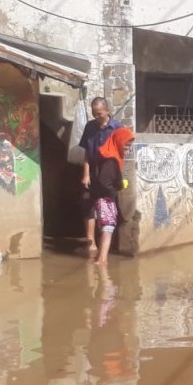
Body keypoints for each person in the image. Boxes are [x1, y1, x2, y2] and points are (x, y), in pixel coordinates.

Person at [79, 97, 121, 252]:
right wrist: (86, 174)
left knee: (108, 206)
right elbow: (87, 153)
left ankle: (109, 245)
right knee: (88, 203)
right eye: (93, 113)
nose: (96, 116)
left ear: (107, 111)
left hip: (109, 173)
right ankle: (91, 242)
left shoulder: (116, 128)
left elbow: (121, 154)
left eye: (99, 113)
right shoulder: (90, 127)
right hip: (92, 171)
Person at [90, 127, 134, 265]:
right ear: (119, 141)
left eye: (129, 145)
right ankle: (102, 259)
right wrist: (118, 187)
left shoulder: (107, 155)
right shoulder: (111, 160)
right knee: (108, 227)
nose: (127, 147)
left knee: (107, 227)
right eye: (126, 144)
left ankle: (101, 258)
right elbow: (105, 181)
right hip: (105, 197)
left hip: (103, 197)